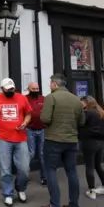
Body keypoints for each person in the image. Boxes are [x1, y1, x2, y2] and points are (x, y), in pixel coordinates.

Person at [39, 74, 85, 207]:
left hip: (53, 139)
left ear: (54, 84)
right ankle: (73, 204)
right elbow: (82, 121)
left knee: (51, 170)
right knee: (72, 171)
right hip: (71, 140)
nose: (50, 86)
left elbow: (45, 119)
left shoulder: (51, 97)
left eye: (50, 84)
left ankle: (55, 204)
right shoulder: (76, 99)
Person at [0, 78, 32, 207]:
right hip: (3, 138)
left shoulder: (22, 98)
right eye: (7, 89)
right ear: (2, 89)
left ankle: (21, 188)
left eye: (12, 89)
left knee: (24, 168)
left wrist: (24, 123)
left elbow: (28, 114)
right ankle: (8, 194)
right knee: (5, 169)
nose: (10, 91)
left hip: (20, 138)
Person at [79, 96, 104, 200]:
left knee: (89, 166)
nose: (80, 105)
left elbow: (80, 125)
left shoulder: (87, 114)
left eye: (81, 103)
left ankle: (91, 190)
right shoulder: (101, 112)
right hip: (100, 142)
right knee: (98, 165)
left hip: (89, 142)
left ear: (86, 103)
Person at [26, 82, 47, 186]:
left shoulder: (43, 99)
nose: (35, 90)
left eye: (37, 88)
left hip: (42, 129)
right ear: (28, 89)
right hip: (29, 129)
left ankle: (44, 177)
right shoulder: (24, 99)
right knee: (31, 153)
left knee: (42, 154)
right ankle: (24, 176)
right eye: (33, 89)